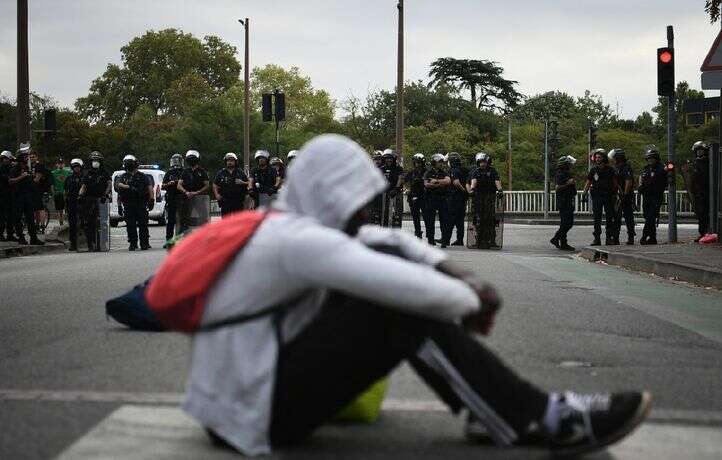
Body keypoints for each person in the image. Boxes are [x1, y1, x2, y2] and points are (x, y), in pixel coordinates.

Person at [179, 134, 651, 458]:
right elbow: (406, 286)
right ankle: (540, 416)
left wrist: (454, 270)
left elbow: (392, 243)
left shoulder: (290, 225)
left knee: (400, 293)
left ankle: (487, 405)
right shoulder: (298, 241)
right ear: (331, 194)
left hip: (239, 400)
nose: (366, 210)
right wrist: (472, 298)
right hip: (252, 414)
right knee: (397, 310)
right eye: (357, 197)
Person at [115, 155, 153, 251]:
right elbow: (119, 189)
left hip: (141, 202)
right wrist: (119, 205)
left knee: (143, 224)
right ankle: (133, 243)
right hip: (128, 203)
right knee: (130, 225)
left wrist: (151, 200)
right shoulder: (123, 176)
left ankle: (144, 243)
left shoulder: (142, 176)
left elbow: (149, 188)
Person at [9, 145, 43, 245]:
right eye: (25, 156)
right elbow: (10, 181)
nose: (27, 158)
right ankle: (21, 238)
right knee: (18, 218)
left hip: (27, 196)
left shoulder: (27, 168)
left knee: (30, 218)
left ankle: (33, 238)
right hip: (18, 197)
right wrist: (21, 177)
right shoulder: (15, 168)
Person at [582, 148, 617, 246]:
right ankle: (597, 238)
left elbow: (615, 183)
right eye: (596, 157)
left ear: (604, 158)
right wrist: (584, 192)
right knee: (597, 218)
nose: (597, 159)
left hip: (608, 196)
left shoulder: (610, 170)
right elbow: (588, 182)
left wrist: (617, 193)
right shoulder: (593, 170)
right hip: (597, 196)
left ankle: (608, 238)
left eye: (599, 157)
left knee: (609, 217)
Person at [79, 151, 112, 252]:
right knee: (89, 222)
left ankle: (103, 243)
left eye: (97, 160)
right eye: (94, 160)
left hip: (102, 199)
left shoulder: (105, 172)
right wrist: (80, 195)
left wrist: (105, 194)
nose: (95, 162)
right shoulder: (87, 173)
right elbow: (83, 186)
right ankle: (91, 244)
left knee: (103, 222)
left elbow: (109, 184)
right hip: (90, 199)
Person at [469, 152, 503, 249]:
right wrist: (472, 189)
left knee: (490, 218)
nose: (482, 164)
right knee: (478, 218)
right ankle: (478, 240)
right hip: (479, 197)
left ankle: (492, 240)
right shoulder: (476, 171)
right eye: (480, 162)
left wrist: (500, 190)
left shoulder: (493, 171)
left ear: (487, 162)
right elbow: (473, 181)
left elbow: (497, 181)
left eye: (484, 162)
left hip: (490, 197)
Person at [638, 147, 666, 245]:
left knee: (651, 216)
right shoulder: (646, 169)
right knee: (647, 216)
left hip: (656, 196)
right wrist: (640, 187)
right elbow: (642, 179)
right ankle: (653, 237)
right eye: (648, 158)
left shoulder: (661, 168)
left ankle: (644, 236)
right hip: (646, 196)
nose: (650, 160)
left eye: (652, 158)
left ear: (656, 158)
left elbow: (665, 181)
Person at [177, 150, 210, 233]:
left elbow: (207, 185)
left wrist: (197, 192)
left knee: (203, 218)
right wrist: (186, 192)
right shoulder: (185, 171)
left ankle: (206, 235)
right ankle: (181, 237)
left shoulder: (202, 171)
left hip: (200, 198)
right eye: (190, 159)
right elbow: (179, 185)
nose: (192, 160)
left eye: (193, 158)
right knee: (184, 219)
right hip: (187, 198)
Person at [608, 149, 635, 245]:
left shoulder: (626, 168)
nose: (613, 160)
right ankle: (615, 238)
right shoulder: (617, 168)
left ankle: (631, 237)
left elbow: (628, 181)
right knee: (616, 217)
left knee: (628, 217)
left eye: (615, 158)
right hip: (618, 195)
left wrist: (625, 194)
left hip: (625, 196)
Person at [423, 153, 451, 247]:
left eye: (442, 162)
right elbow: (426, 184)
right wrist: (441, 183)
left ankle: (444, 240)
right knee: (430, 220)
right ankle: (431, 240)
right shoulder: (428, 172)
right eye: (439, 162)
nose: (441, 164)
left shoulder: (444, 172)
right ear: (434, 162)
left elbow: (448, 181)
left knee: (444, 220)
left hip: (442, 198)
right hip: (431, 198)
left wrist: (436, 182)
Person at [550, 155, 577, 251]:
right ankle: (556, 238)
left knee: (565, 223)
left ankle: (563, 242)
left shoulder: (566, 173)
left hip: (568, 200)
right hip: (564, 201)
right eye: (569, 164)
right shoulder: (561, 174)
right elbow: (557, 188)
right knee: (567, 223)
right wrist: (568, 184)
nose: (570, 165)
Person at [214, 152, 249, 217]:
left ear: (235, 162)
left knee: (238, 221)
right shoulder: (221, 173)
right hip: (225, 201)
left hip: (238, 201)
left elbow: (249, 183)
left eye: (232, 160)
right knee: (226, 222)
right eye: (228, 160)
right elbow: (215, 185)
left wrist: (242, 182)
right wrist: (217, 194)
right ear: (225, 162)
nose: (229, 162)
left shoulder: (240, 172)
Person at [446, 152, 469, 246]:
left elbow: (456, 182)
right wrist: (466, 192)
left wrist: (463, 190)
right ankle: (459, 239)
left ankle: (446, 238)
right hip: (462, 198)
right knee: (460, 220)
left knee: (450, 219)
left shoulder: (454, 170)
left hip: (454, 197)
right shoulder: (465, 170)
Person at [161, 154, 184, 248]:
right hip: (171, 198)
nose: (176, 162)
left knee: (182, 221)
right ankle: (169, 241)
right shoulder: (169, 173)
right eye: (174, 160)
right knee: (170, 221)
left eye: (177, 160)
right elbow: (162, 186)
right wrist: (169, 184)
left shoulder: (184, 172)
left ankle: (181, 241)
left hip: (182, 198)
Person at [690, 141, 710, 241]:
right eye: (697, 151)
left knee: (704, 214)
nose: (699, 153)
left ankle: (705, 233)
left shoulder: (707, 162)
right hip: (698, 193)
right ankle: (702, 233)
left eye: (701, 150)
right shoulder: (696, 163)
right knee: (700, 214)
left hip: (705, 192)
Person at [404, 153, 427, 239]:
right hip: (413, 196)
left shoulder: (426, 171)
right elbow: (404, 180)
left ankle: (429, 234)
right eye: (416, 162)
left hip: (423, 196)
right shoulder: (412, 172)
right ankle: (418, 232)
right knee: (415, 217)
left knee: (426, 216)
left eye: (419, 162)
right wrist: (407, 188)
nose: (418, 164)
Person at [379, 149, 404, 227]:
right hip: (384, 194)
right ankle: (383, 230)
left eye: (390, 158)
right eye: (387, 158)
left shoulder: (398, 168)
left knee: (396, 214)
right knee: (384, 214)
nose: (389, 160)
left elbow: (400, 178)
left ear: (394, 159)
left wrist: (396, 189)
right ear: (384, 159)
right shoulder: (381, 169)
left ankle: (396, 232)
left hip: (395, 193)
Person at [29, 151, 52, 233]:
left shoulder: (39, 166)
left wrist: (29, 180)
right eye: (31, 157)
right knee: (36, 210)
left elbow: (37, 180)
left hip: (39, 190)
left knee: (40, 209)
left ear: (37, 157)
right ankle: (37, 226)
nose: (32, 158)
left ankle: (42, 226)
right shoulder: (31, 166)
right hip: (33, 191)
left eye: (33, 157)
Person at [64, 158, 84, 251]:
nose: (76, 169)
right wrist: (65, 205)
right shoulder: (68, 179)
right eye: (75, 167)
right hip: (71, 203)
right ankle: (73, 243)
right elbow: (65, 192)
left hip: (83, 202)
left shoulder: (84, 178)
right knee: (72, 224)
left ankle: (85, 242)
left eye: (78, 167)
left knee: (83, 223)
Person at [0, 150, 16, 241]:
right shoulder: (1, 168)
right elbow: (7, 179)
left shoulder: (10, 167)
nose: (10, 161)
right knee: (2, 216)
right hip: (2, 195)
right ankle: (1, 234)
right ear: (4, 159)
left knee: (10, 215)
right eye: (9, 159)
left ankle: (10, 234)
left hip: (9, 195)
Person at [51, 158, 71, 226]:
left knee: (68, 210)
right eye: (59, 163)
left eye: (62, 163)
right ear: (57, 164)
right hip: (58, 193)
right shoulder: (53, 173)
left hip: (66, 193)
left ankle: (69, 224)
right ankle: (61, 224)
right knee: (60, 211)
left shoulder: (68, 172)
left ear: (64, 164)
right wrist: (53, 193)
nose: (60, 165)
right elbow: (52, 184)